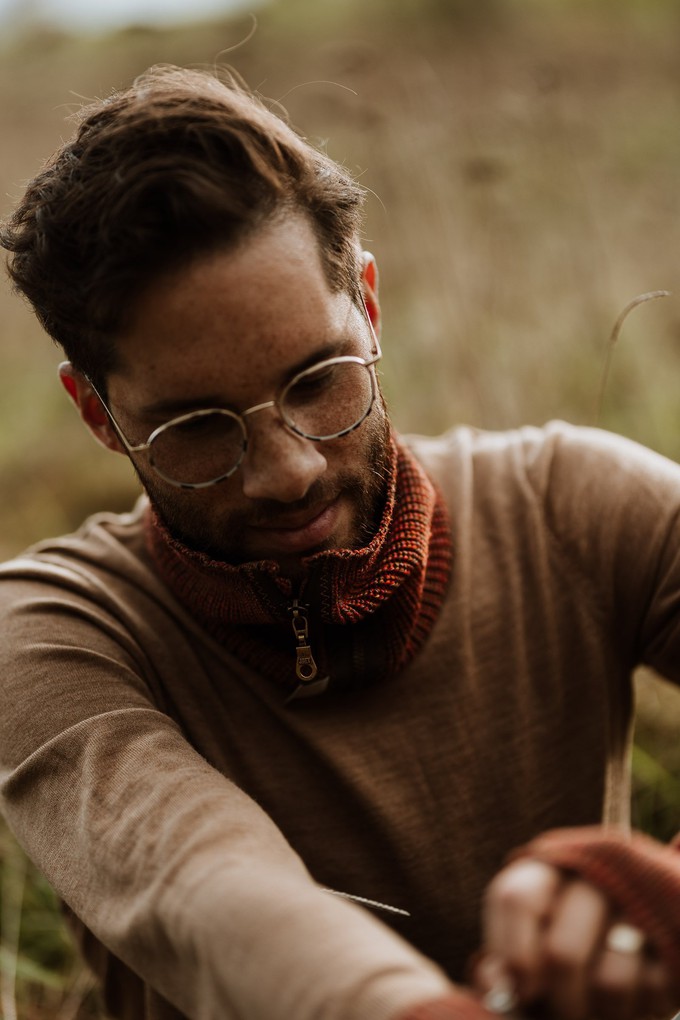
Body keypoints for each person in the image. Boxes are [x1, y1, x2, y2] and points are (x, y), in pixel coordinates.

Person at [1, 64, 679, 1020]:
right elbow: (210, 894)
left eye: (318, 379)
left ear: (367, 300)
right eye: (197, 426)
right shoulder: (54, 634)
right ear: (98, 414)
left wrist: (662, 895)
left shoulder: (572, 505)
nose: (289, 471)